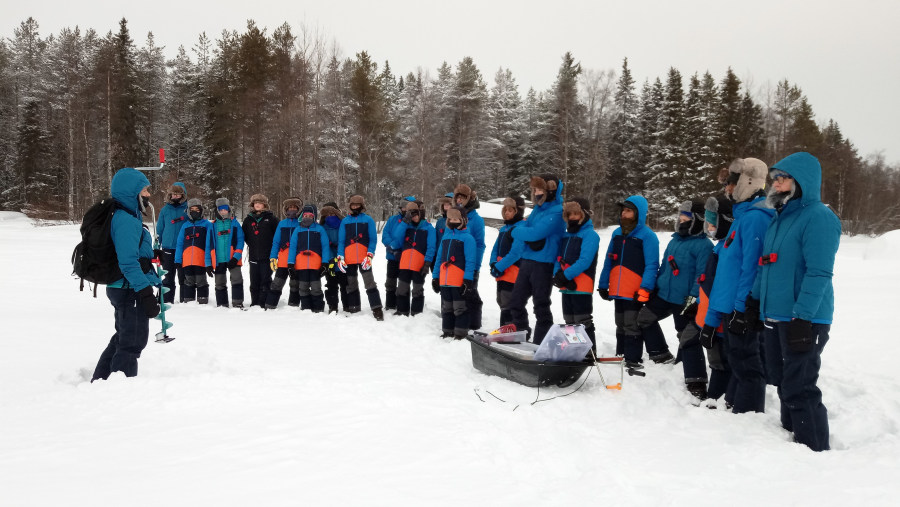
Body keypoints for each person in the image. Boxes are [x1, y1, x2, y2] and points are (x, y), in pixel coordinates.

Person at [751, 152, 840, 451]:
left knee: (799, 387)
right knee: (783, 382)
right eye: (775, 178)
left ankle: (813, 449)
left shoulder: (819, 217)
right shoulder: (779, 218)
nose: (777, 183)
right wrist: (754, 301)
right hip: (775, 314)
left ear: (802, 181)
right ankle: (792, 441)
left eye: (784, 178)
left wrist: (803, 317)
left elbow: (818, 273)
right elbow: (768, 265)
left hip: (804, 318)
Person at [699, 157, 773, 414]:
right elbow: (726, 276)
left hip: (740, 309)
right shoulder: (742, 219)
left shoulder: (756, 218)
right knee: (738, 364)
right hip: (729, 307)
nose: (727, 190)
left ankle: (749, 420)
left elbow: (752, 269)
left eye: (731, 184)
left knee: (747, 366)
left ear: (747, 182)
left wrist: (742, 309)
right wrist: (713, 318)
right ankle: (736, 412)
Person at [636, 200, 713, 398]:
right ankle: (660, 354)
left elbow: (701, 275)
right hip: (663, 295)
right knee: (644, 318)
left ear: (697, 220)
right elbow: (663, 267)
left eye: (687, 216)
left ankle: (695, 380)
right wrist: (654, 287)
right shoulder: (674, 240)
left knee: (686, 335)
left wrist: (693, 300)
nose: (682, 219)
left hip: (684, 299)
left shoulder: (703, 245)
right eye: (681, 216)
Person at [92, 167, 161, 381]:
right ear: (133, 192)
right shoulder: (126, 220)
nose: (148, 194)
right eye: (145, 190)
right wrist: (146, 294)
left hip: (124, 287)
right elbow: (128, 263)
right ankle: (121, 393)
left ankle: (101, 380)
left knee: (123, 338)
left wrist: (151, 254)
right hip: (129, 289)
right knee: (132, 343)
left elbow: (130, 252)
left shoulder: (126, 216)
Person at [597, 195, 671, 368]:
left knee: (632, 325)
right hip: (617, 289)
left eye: (628, 210)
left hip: (635, 291)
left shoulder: (648, 236)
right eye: (623, 210)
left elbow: (652, 264)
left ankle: (633, 359)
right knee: (620, 323)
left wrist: (645, 289)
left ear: (639, 213)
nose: (624, 213)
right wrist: (602, 284)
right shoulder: (616, 234)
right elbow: (609, 260)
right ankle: (621, 355)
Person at [506, 174, 564, 343]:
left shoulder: (557, 211)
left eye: (540, 189)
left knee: (541, 305)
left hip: (544, 263)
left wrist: (514, 231)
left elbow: (534, 232)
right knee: (516, 301)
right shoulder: (538, 210)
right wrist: (522, 229)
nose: (536, 193)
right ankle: (521, 334)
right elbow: (525, 225)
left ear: (550, 191)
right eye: (535, 189)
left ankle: (541, 343)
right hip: (527, 260)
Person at [694, 195, 737, 405]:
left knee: (720, 362)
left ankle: (715, 399)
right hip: (709, 315)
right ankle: (716, 397)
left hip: (718, 319)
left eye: (713, 223)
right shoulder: (720, 246)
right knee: (716, 360)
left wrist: (711, 323)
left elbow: (719, 289)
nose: (709, 227)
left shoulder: (727, 249)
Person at [552, 197, 600, 352]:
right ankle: (574, 350)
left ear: (584, 214)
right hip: (566, 284)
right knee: (569, 320)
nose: (572, 217)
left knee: (582, 320)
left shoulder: (590, 235)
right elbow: (557, 258)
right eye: (569, 214)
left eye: (576, 214)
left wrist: (566, 275)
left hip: (582, 284)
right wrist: (557, 274)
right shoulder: (566, 236)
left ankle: (588, 352)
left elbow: (585, 261)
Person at [336, 195, 384, 321]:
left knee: (370, 283)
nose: (355, 207)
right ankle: (354, 307)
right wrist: (340, 257)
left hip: (364, 258)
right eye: (353, 205)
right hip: (349, 258)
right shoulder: (345, 221)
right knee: (351, 284)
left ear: (362, 206)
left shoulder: (368, 220)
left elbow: (373, 240)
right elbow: (341, 241)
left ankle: (377, 308)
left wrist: (370, 255)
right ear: (350, 206)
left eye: (357, 205)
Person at [432, 205, 476, 338]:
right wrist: (435, 277)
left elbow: (470, 261)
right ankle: (447, 330)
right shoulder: (445, 238)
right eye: (451, 219)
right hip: (445, 280)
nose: (453, 221)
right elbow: (439, 258)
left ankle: (460, 333)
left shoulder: (468, 238)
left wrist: (467, 280)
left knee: (459, 307)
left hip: (458, 280)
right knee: (447, 307)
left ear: (463, 220)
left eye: (456, 219)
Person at [389, 200, 436, 316]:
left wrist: (427, 263)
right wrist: (405, 222)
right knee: (402, 288)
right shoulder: (406, 227)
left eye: (415, 215)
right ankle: (402, 311)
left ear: (421, 213)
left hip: (419, 264)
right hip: (405, 263)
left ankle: (417, 313)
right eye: (411, 215)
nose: (414, 218)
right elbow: (396, 237)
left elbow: (431, 247)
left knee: (417, 289)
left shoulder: (429, 228)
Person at [489, 196, 526, 327]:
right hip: (502, 272)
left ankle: (515, 330)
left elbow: (516, 253)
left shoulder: (520, 228)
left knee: (510, 303)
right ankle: (505, 329)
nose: (507, 213)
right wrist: (493, 263)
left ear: (518, 211)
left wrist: (499, 266)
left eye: (510, 210)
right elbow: (495, 248)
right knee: (501, 301)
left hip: (513, 272)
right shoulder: (504, 229)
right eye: (505, 210)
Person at [453, 184, 485, 330]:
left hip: (470, 263)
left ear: (469, 199)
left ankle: (474, 324)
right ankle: (459, 320)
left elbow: (479, 244)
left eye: (463, 197)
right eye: (457, 197)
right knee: (458, 293)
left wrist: (475, 266)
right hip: (456, 263)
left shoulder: (476, 219)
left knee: (471, 293)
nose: (459, 200)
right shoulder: (454, 216)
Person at [288, 204, 331, 312]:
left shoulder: (320, 229)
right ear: (302, 216)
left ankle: (318, 308)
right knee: (303, 287)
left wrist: (325, 263)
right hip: (301, 264)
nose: (307, 217)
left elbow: (325, 247)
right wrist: (290, 263)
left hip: (315, 264)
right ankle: (306, 307)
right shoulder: (298, 230)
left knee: (316, 287)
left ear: (314, 216)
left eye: (310, 215)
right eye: (305, 215)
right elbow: (292, 247)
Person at [242, 194, 279, 308]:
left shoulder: (272, 218)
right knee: (254, 280)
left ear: (264, 205)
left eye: (260, 203)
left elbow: (277, 236)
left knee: (265, 280)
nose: (257, 205)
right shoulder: (248, 219)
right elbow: (245, 236)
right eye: (255, 203)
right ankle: (255, 301)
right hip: (253, 255)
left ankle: (263, 302)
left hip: (267, 255)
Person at [265, 198, 303, 309]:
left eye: (294, 208)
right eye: (290, 208)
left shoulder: (301, 224)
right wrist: (273, 257)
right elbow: (276, 242)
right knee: (277, 283)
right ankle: (270, 305)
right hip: (282, 260)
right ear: (286, 210)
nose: (292, 210)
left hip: (297, 261)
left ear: (298, 210)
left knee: (295, 285)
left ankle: (293, 305)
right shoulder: (281, 224)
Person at [175, 198, 214, 304]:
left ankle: (203, 301)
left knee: (201, 281)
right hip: (187, 261)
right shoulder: (185, 226)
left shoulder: (207, 225)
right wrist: (178, 260)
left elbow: (210, 244)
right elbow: (179, 244)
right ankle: (189, 302)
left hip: (201, 260)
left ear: (201, 210)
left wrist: (209, 262)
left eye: (197, 209)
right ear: (188, 211)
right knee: (188, 281)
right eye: (192, 209)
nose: (194, 211)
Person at [382, 196, 417, 310]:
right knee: (390, 281)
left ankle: (403, 305)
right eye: (403, 207)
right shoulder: (392, 219)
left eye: (408, 208)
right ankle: (390, 304)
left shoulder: (414, 222)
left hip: (406, 257)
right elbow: (385, 235)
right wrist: (392, 247)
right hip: (392, 256)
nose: (405, 210)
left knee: (404, 282)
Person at [156, 182, 187, 303]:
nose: (175, 196)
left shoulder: (187, 209)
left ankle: (186, 301)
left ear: (182, 195)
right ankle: (166, 301)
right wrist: (157, 244)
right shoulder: (165, 210)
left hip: (184, 248)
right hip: (168, 248)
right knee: (168, 276)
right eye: (173, 194)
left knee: (183, 277)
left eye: (178, 194)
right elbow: (160, 228)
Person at [210, 198, 245, 308]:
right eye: (221, 210)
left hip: (233, 259)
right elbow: (209, 244)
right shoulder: (213, 225)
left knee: (237, 280)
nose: (223, 212)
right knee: (219, 283)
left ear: (229, 210)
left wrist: (236, 257)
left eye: (225, 209)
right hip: (219, 259)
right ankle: (222, 304)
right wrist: (208, 262)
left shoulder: (235, 224)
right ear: (217, 211)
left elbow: (240, 241)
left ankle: (238, 302)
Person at [319, 201, 349, 314]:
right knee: (331, 284)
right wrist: (330, 258)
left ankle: (347, 305)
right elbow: (323, 245)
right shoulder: (322, 227)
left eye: (332, 214)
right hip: (330, 260)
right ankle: (333, 306)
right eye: (327, 215)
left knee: (345, 284)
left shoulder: (344, 224)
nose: (330, 217)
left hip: (344, 260)